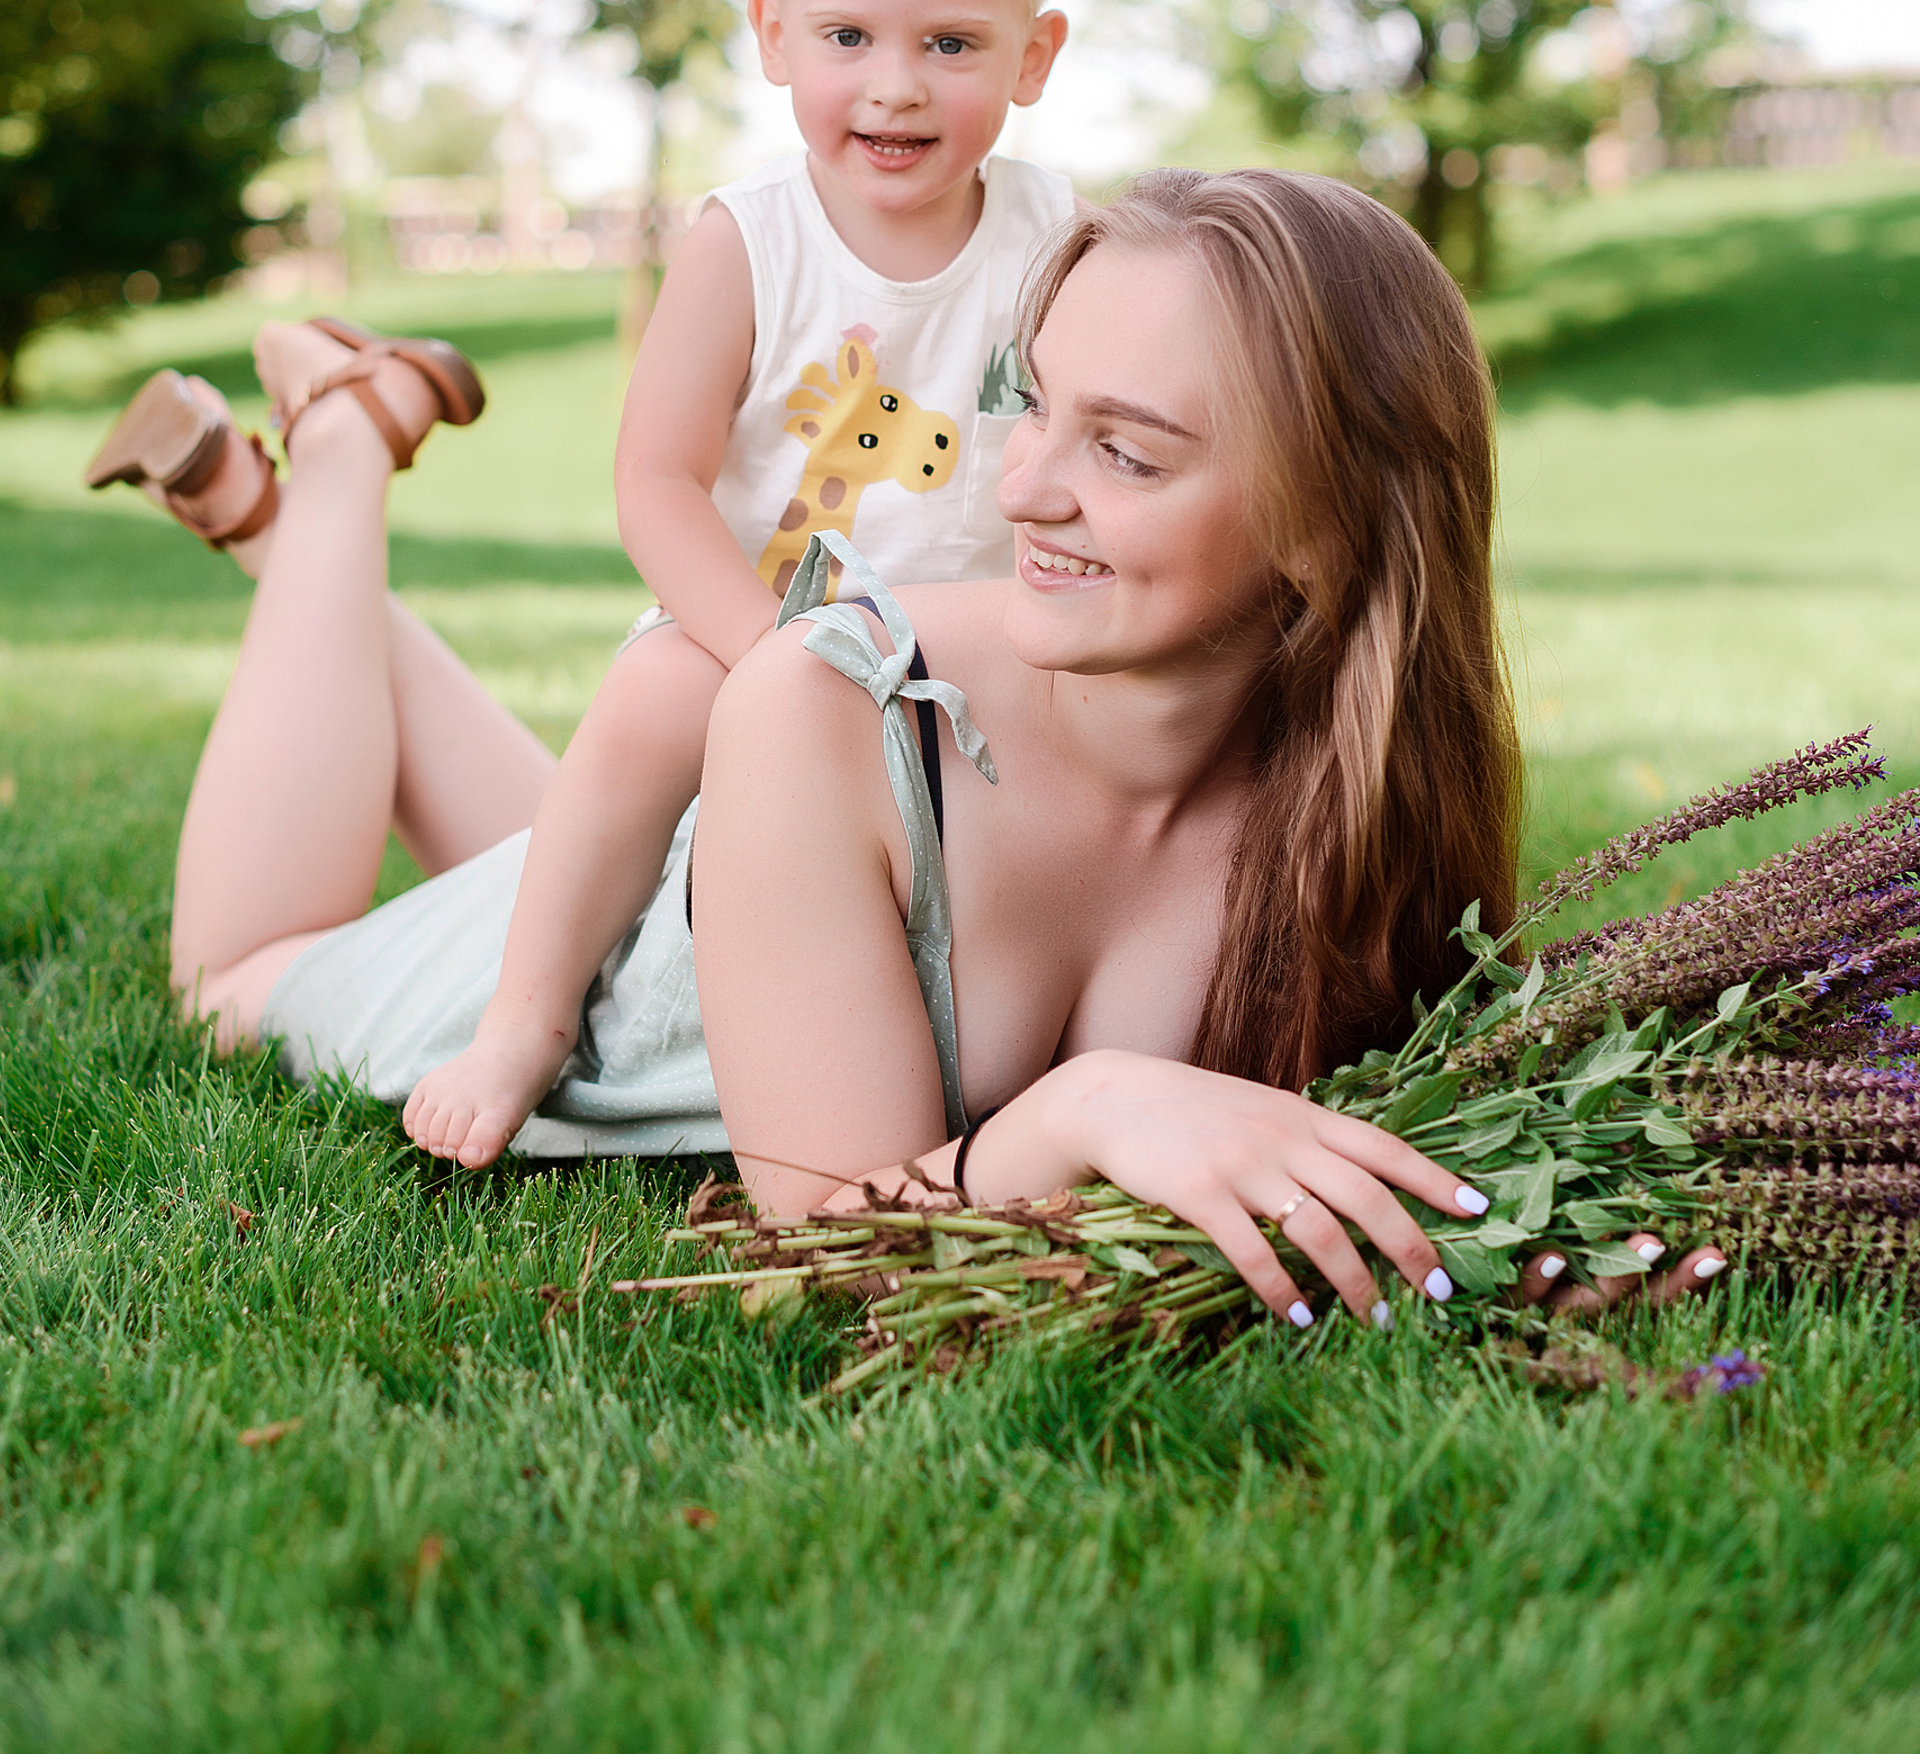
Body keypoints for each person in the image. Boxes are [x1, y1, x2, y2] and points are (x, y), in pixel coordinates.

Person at [88, 165, 1722, 1323]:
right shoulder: (826, 702)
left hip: (711, 888)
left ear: (1332, 526)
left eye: (1128, 453)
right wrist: (1084, 1111)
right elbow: (830, 1231)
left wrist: (1561, 1228)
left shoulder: (1354, 807)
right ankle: (338, 455)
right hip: (521, 974)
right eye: (1038, 409)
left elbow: (1401, 1130)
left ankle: (269, 510)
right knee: (236, 972)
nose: (1018, 492)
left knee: (590, 840)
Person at [87, 0, 1077, 1170]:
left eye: (951, 44)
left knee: (564, 855)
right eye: (849, 36)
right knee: (645, 713)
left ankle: (304, 474)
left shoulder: (1057, 237)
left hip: (900, 725)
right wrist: (772, 661)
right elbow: (656, 485)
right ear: (772, 32)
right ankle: (525, 1018)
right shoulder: (750, 242)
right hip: (739, 667)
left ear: (1034, 56)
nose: (895, 84)